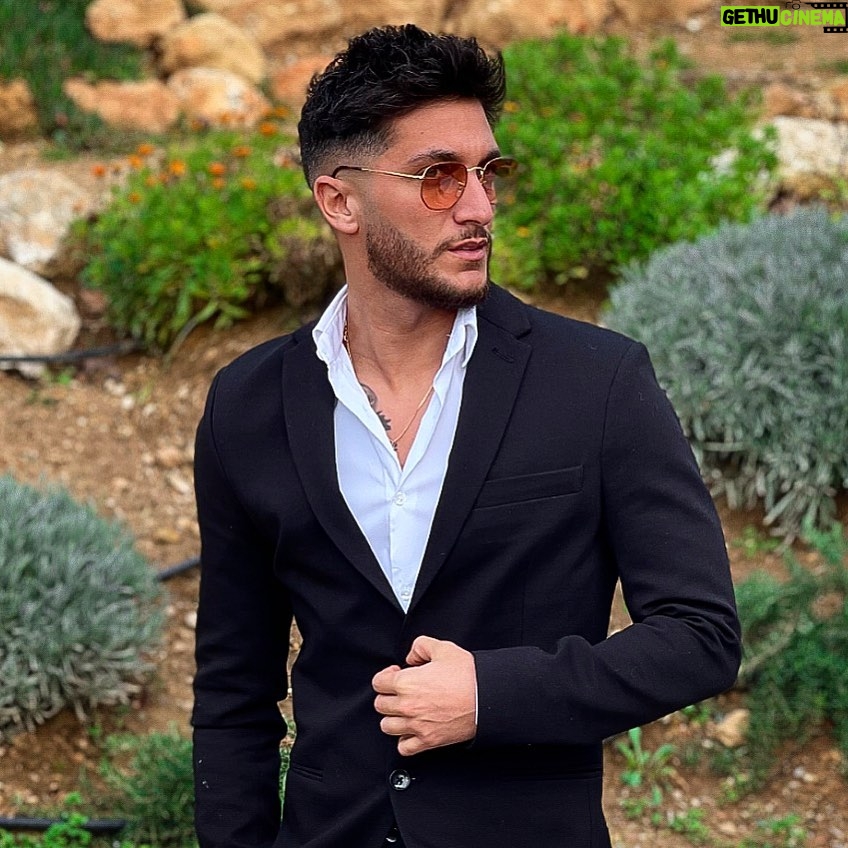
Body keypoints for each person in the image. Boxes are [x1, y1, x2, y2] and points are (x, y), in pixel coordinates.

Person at [191, 23, 741, 848]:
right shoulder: (248, 404)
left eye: (488, 172)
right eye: (439, 177)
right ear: (339, 201)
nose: (479, 207)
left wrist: (493, 694)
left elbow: (701, 636)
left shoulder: (596, 382)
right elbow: (234, 694)